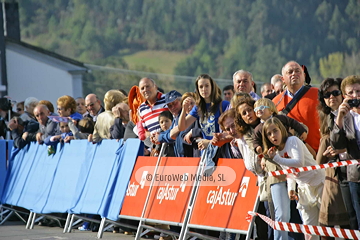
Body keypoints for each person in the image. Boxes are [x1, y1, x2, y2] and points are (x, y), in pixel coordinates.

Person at [264, 117, 325, 240]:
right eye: (269, 134)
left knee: (329, 223)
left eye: (275, 131)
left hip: (319, 183)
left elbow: (299, 162)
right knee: (309, 230)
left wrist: (276, 159)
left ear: (281, 129)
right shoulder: (277, 152)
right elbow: (290, 171)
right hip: (304, 189)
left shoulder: (293, 140)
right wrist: (291, 188)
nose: (273, 136)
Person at [316, 78, 352, 236]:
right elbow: (320, 157)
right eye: (327, 94)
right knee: (326, 226)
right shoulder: (325, 117)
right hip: (333, 174)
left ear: (343, 94)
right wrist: (326, 154)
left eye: (336, 92)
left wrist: (341, 150)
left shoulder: (353, 115)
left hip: (351, 172)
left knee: (349, 226)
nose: (332, 97)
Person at [330, 75, 360, 230]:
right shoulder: (345, 117)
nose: (355, 96)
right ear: (344, 96)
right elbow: (336, 143)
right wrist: (340, 117)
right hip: (355, 175)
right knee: (356, 220)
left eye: (358, 91)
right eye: (351, 93)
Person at [272, 61, 320, 152]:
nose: (294, 74)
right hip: (290, 155)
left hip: (318, 153)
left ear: (304, 76)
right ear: (283, 79)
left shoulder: (318, 94)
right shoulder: (276, 102)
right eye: (290, 72)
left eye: (298, 71)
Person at [178, 74, 229, 151]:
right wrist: (183, 110)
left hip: (221, 152)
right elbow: (182, 127)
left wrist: (210, 142)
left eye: (207, 86)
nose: (204, 89)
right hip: (206, 154)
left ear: (212, 87)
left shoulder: (224, 105)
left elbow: (231, 132)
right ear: (197, 90)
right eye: (201, 87)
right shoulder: (198, 108)